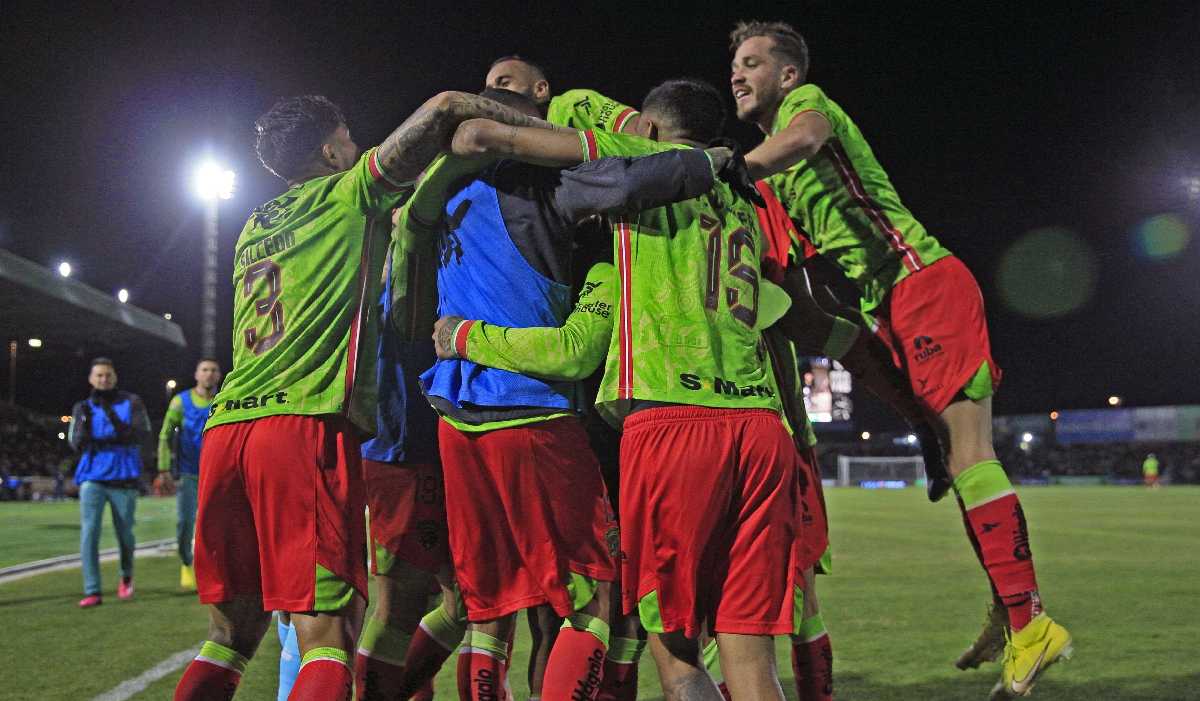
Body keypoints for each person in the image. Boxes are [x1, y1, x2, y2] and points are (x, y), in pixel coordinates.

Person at [172, 90, 560, 701]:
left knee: (227, 639)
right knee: (330, 637)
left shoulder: (253, 224)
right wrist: (543, 130)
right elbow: (438, 112)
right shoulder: (346, 193)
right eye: (349, 139)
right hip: (298, 426)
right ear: (330, 151)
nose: (358, 149)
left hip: (227, 430)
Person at [728, 20, 1073, 698]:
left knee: (972, 453)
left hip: (926, 282)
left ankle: (1029, 619)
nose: (737, 74)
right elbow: (795, 288)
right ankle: (1010, 610)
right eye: (733, 65)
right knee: (956, 456)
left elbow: (805, 141)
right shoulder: (767, 181)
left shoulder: (807, 109)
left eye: (751, 63)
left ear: (788, 75)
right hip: (893, 307)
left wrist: (726, 168)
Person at [446, 78, 797, 701]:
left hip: (674, 419)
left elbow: (506, 145)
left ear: (650, 130)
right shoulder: (743, 197)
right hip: (762, 424)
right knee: (750, 655)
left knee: (677, 654)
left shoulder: (638, 162)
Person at [68, 357, 151, 608]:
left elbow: (142, 433)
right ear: (91, 379)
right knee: (89, 533)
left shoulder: (131, 401)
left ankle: (126, 575)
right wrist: (85, 429)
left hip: (123, 476)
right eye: (99, 376)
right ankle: (92, 589)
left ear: (115, 378)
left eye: (108, 375)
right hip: (92, 477)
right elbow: (74, 442)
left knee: (124, 533)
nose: (104, 380)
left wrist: (111, 417)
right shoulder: (82, 407)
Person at [157, 358, 221, 591]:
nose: (209, 374)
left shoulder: (226, 399)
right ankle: (186, 562)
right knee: (185, 522)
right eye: (205, 370)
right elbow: (164, 436)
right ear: (196, 375)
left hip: (219, 474)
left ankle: (215, 568)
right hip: (189, 473)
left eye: (214, 370)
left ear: (219, 375)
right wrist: (164, 468)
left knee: (218, 524)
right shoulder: (180, 402)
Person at [485, 56, 644, 134]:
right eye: (490, 90)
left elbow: (641, 135)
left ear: (540, 90)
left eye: (504, 83)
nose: (494, 95)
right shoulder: (497, 142)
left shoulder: (574, 104)